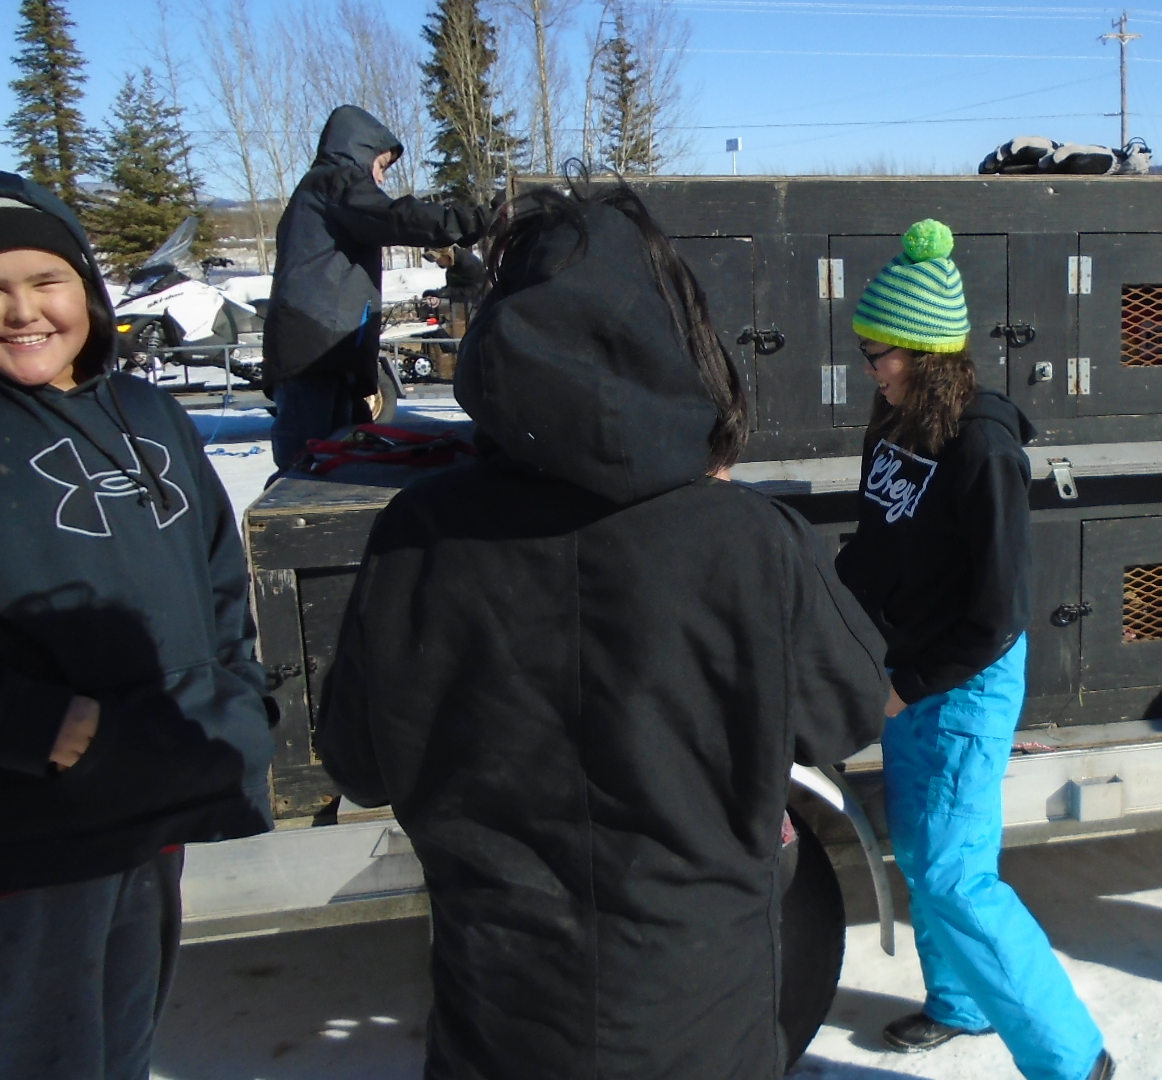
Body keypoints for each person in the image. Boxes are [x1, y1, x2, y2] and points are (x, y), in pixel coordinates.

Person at [315, 180, 891, 1080]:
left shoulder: (417, 536)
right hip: (696, 1011)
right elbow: (848, 711)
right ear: (675, 338)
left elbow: (357, 761)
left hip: (499, 1008)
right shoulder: (747, 539)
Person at [0, 168, 276, 1080]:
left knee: (117, 1053)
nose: (23, 312)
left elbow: (214, 573)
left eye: (46, 281)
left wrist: (234, 698)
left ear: (85, 288)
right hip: (9, 843)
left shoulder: (144, 410)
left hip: (147, 807)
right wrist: (23, 724)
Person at [834, 220, 1114, 1080]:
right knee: (921, 852)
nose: (869, 365)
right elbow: (873, 545)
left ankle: (1074, 1061)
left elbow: (998, 613)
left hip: (963, 682)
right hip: (905, 670)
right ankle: (960, 1004)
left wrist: (907, 684)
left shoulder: (983, 448)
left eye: (880, 350)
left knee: (956, 875)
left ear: (923, 353)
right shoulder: (893, 428)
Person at [263, 104, 485, 469]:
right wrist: (470, 220)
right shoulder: (334, 181)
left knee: (344, 458)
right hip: (312, 348)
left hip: (331, 348)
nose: (380, 180)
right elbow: (394, 216)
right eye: (380, 166)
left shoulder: (325, 189)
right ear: (360, 151)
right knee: (307, 464)